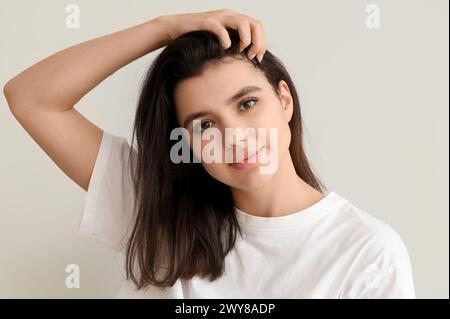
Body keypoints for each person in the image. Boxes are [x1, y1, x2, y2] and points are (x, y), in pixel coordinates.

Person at [4, 8, 415, 298]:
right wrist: (163, 29)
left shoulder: (367, 251)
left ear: (284, 100)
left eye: (247, 104)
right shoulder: (156, 209)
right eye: (204, 124)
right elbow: (31, 98)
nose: (234, 136)